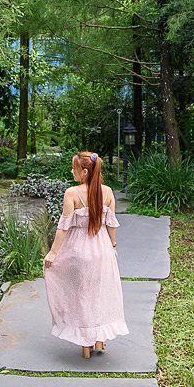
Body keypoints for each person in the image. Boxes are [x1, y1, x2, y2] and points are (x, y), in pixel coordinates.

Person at [43, 151, 128, 359]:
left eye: (74, 168)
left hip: (78, 251)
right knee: (100, 294)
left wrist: (53, 254)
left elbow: (63, 228)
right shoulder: (107, 192)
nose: (72, 172)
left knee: (81, 295)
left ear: (83, 171)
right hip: (103, 250)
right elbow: (111, 225)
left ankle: (85, 343)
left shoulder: (71, 193)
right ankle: (99, 339)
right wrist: (113, 247)